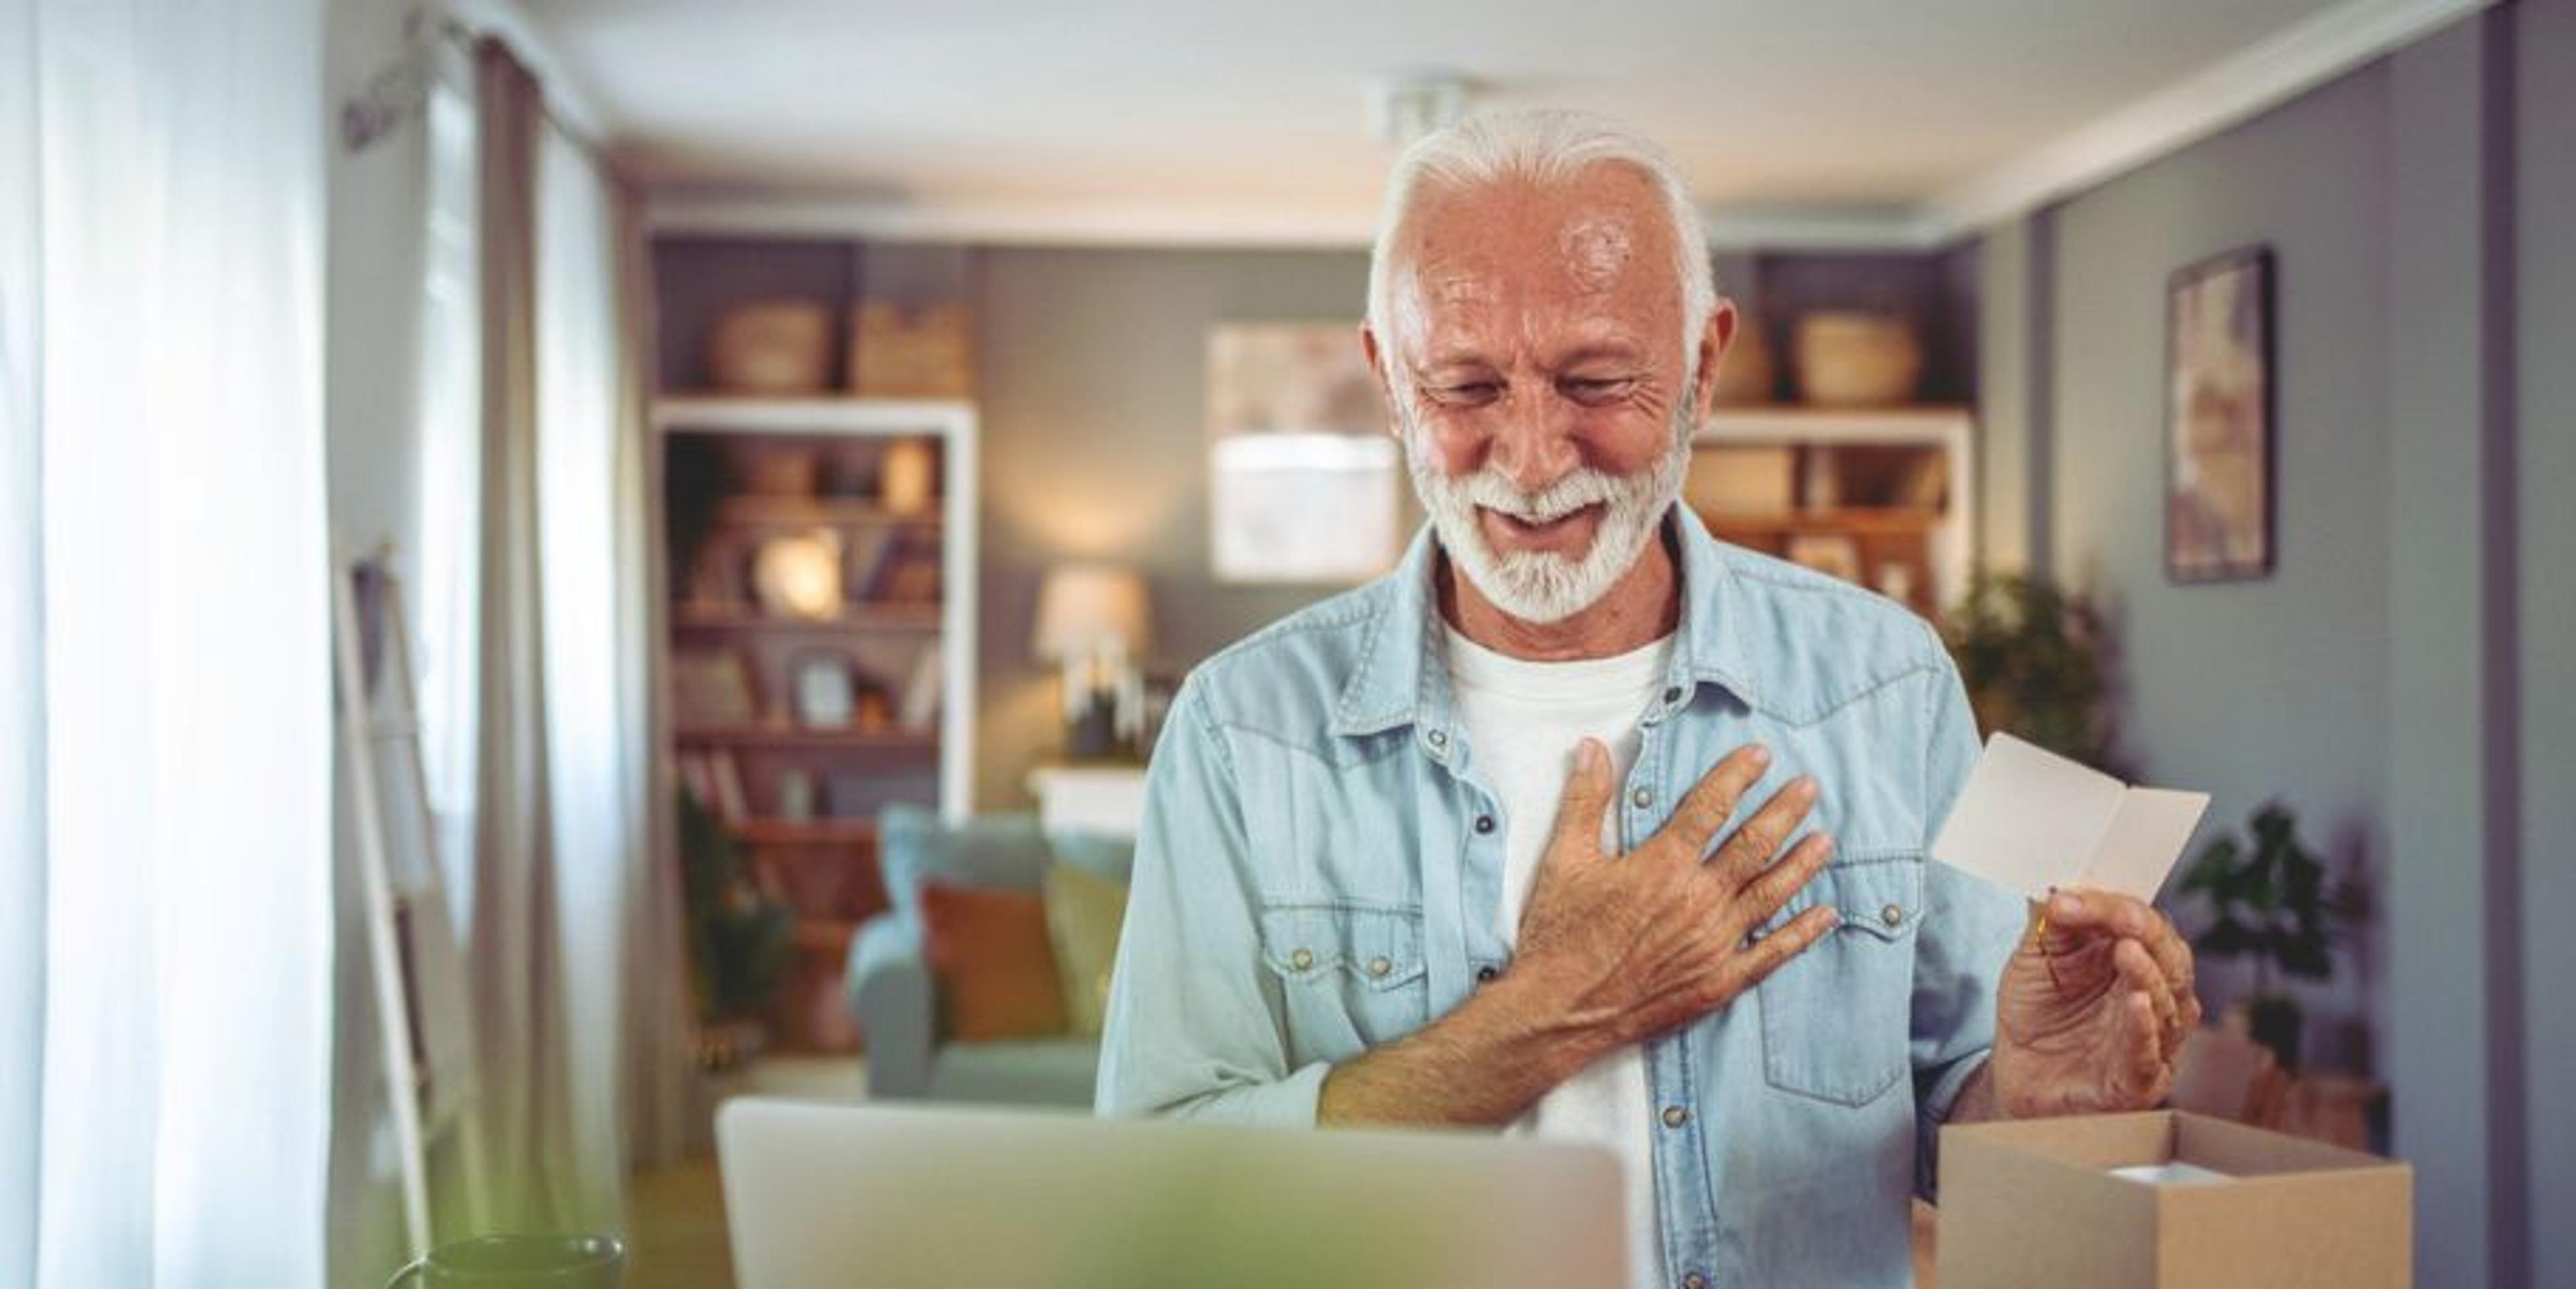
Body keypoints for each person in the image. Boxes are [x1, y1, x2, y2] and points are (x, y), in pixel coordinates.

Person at [1096, 109, 2200, 1289]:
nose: (1528, 459)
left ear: (1704, 367)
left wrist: (2039, 1099)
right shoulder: (1242, 731)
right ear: (1386, 379)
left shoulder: (1885, 686)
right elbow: (1168, 1197)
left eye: (1596, 379)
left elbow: (1960, 1116)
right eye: (1465, 386)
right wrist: (1560, 1005)